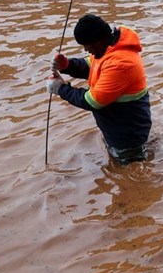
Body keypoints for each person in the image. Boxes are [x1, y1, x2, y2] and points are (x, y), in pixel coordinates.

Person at [46, 14, 152, 164]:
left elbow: (91, 101)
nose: (86, 49)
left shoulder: (121, 63)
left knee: (128, 173)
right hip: (118, 129)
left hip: (127, 137)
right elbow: (90, 66)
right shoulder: (108, 50)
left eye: (86, 45)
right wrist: (67, 65)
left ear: (97, 41)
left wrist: (61, 89)